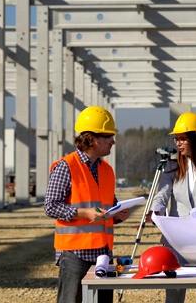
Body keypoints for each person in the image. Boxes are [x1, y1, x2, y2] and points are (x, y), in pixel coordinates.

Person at [44, 106, 131, 303]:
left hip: (103, 254)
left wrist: (117, 215)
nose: (113, 141)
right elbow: (50, 206)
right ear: (92, 139)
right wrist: (84, 213)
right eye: (108, 136)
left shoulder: (106, 170)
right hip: (75, 254)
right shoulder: (66, 166)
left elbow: (107, 208)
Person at [147, 111, 196, 303]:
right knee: (173, 296)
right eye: (177, 139)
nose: (178, 143)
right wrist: (157, 210)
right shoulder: (171, 168)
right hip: (176, 240)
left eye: (183, 139)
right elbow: (163, 194)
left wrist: (195, 226)